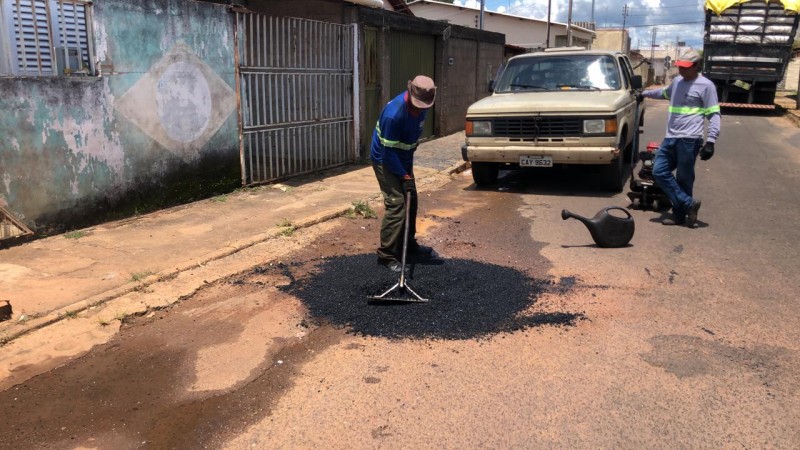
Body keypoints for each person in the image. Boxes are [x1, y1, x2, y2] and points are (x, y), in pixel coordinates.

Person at [639, 49, 720, 227]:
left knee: (684, 179)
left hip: (690, 140)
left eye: (686, 67)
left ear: (697, 66)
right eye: (680, 67)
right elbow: (663, 93)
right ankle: (688, 203)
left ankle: (679, 215)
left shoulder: (706, 86)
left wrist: (711, 141)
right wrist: (644, 93)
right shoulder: (677, 82)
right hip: (671, 138)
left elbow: (714, 115)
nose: (681, 71)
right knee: (658, 171)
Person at [370, 75, 436, 272]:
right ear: (410, 94)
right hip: (384, 159)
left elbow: (409, 144)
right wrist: (403, 176)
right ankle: (386, 255)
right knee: (397, 204)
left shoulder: (422, 107)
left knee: (411, 199)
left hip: (404, 158)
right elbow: (388, 153)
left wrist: (407, 174)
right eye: (417, 106)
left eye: (424, 106)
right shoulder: (394, 114)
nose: (420, 110)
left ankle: (409, 245)